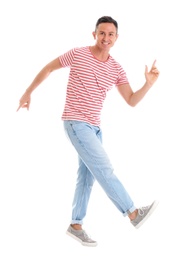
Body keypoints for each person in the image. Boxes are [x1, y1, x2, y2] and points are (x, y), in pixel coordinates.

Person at [17, 16, 160, 247]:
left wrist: (148, 85)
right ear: (94, 34)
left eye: (110, 34)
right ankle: (133, 213)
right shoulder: (78, 54)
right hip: (75, 122)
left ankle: (76, 225)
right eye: (101, 33)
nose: (106, 38)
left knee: (87, 177)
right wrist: (28, 92)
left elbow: (132, 100)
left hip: (94, 128)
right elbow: (49, 68)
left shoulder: (116, 68)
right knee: (104, 168)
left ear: (116, 38)